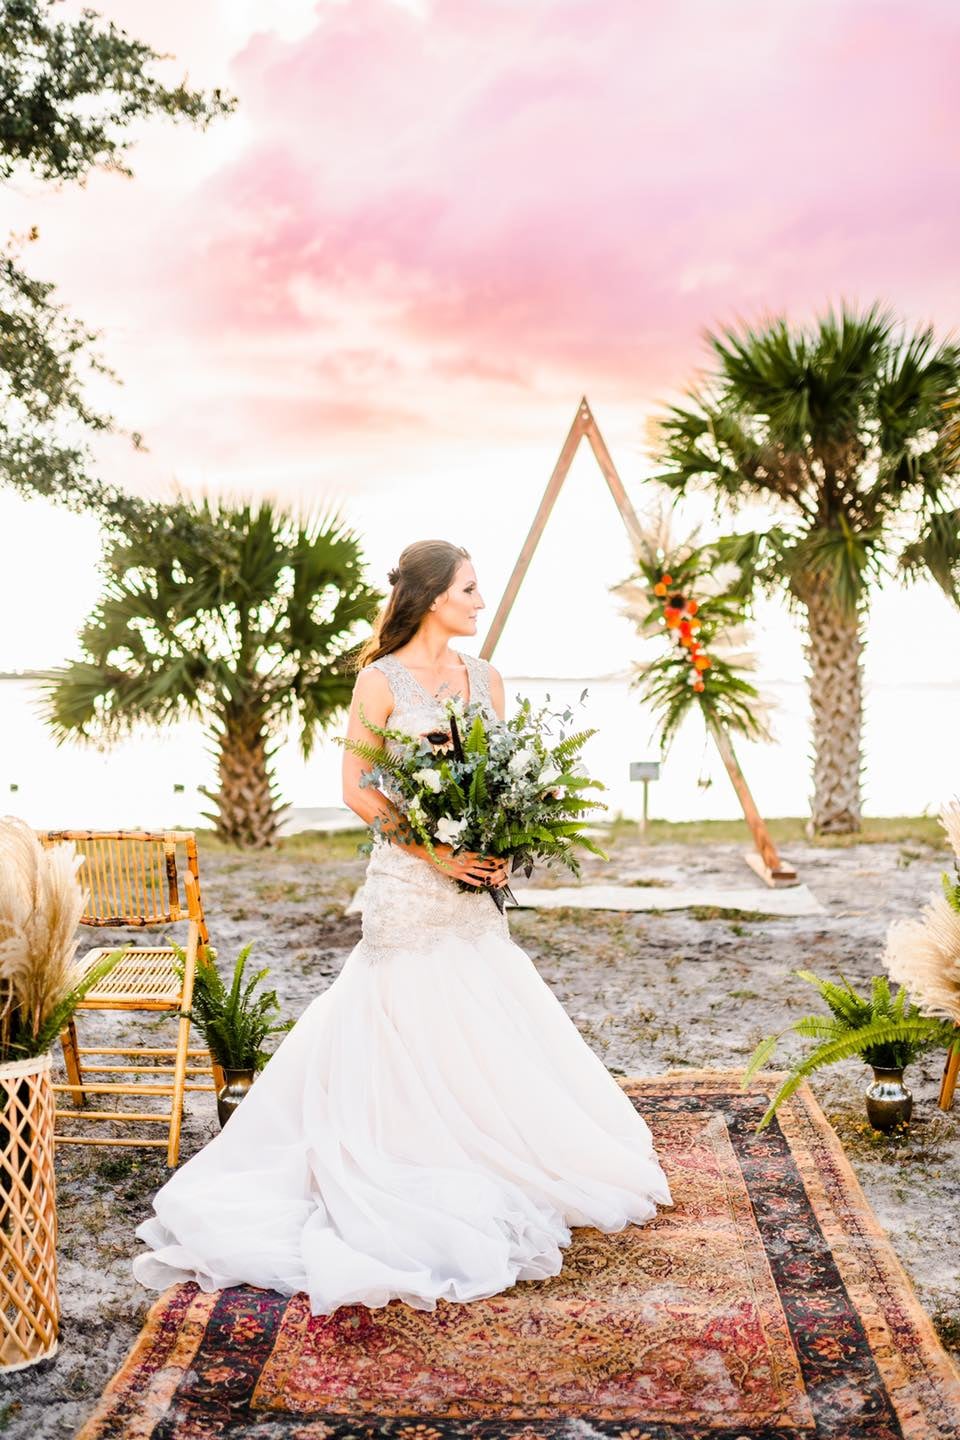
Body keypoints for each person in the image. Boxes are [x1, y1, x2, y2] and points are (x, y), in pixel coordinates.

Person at [132, 539, 672, 1315]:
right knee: (400, 1009)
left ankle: (498, 1149)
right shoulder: (378, 681)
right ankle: (403, 1158)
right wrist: (435, 851)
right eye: (468, 590)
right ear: (428, 598)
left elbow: (500, 771)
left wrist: (498, 848)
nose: (479, 604)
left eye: (480, 591)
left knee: (483, 1007)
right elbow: (356, 786)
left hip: (470, 891)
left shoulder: (488, 678)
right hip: (409, 886)